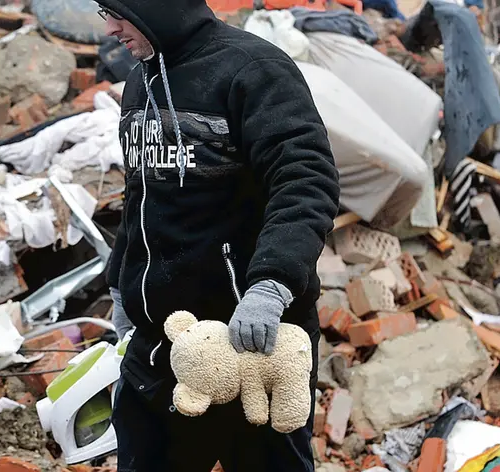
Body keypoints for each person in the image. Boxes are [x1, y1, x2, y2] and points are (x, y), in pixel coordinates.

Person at [98, 0, 341, 470]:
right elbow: (142, 195)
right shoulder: (139, 79)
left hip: (249, 340)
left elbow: (306, 182)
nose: (110, 29)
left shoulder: (253, 70)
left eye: (117, 11)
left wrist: (271, 286)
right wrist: (121, 284)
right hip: (162, 345)